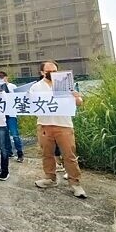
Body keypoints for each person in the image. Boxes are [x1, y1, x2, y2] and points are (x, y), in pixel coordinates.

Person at [30, 60, 86, 198]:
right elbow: (29, 104)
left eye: (55, 71)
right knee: (47, 154)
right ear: (42, 72)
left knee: (69, 155)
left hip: (64, 125)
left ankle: (75, 184)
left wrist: (77, 97)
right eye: (49, 71)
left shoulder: (66, 84)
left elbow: (79, 103)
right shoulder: (36, 87)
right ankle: (50, 178)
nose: (53, 73)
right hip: (44, 125)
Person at [0, 71, 24, 162]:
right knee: (5, 135)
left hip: (11, 114)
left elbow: (19, 97)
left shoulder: (12, 86)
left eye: (2, 77)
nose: (1, 79)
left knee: (15, 134)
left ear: (6, 77)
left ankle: (20, 153)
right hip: (2, 114)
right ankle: (9, 152)